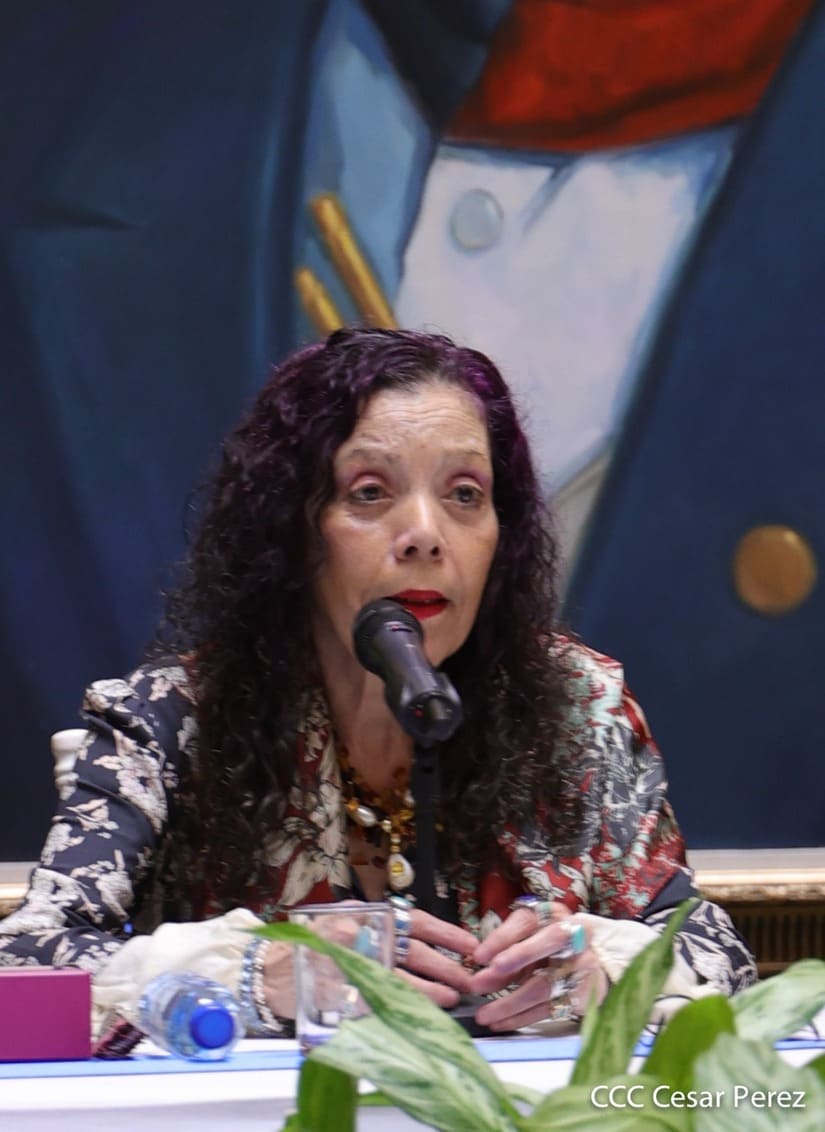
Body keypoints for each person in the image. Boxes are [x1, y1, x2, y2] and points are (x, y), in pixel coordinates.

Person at [0, 329, 756, 1036]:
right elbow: (24, 972)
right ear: (292, 530)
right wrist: (259, 974)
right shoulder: (168, 721)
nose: (425, 534)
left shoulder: (578, 708)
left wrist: (608, 974)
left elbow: (717, 958)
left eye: (465, 494)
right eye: (368, 492)